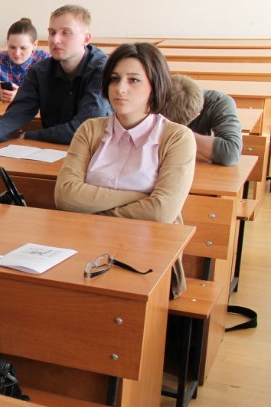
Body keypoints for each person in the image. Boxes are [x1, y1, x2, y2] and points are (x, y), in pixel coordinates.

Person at [55, 43, 196, 297]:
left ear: (155, 86)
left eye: (134, 80)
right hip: (85, 247)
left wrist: (92, 210)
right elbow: (65, 195)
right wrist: (142, 197)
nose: (120, 88)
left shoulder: (177, 138)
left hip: (148, 258)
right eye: (114, 79)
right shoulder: (90, 130)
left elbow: (161, 212)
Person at [0, 5, 112, 154]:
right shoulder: (40, 70)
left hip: (96, 152)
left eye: (66, 33)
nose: (55, 40)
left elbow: (84, 129)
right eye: (52, 32)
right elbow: (19, 111)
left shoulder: (103, 70)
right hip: (52, 150)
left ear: (86, 39)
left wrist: (29, 135)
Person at [163, 74, 243, 166]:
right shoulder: (153, 99)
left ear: (197, 114)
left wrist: (176, 133)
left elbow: (231, 153)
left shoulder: (218, 102)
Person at [0, 17, 51, 102]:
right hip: (4, 109)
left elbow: (55, 93)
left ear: (34, 45)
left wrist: (21, 95)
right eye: (12, 47)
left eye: (23, 48)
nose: (17, 53)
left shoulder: (46, 60)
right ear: (7, 43)